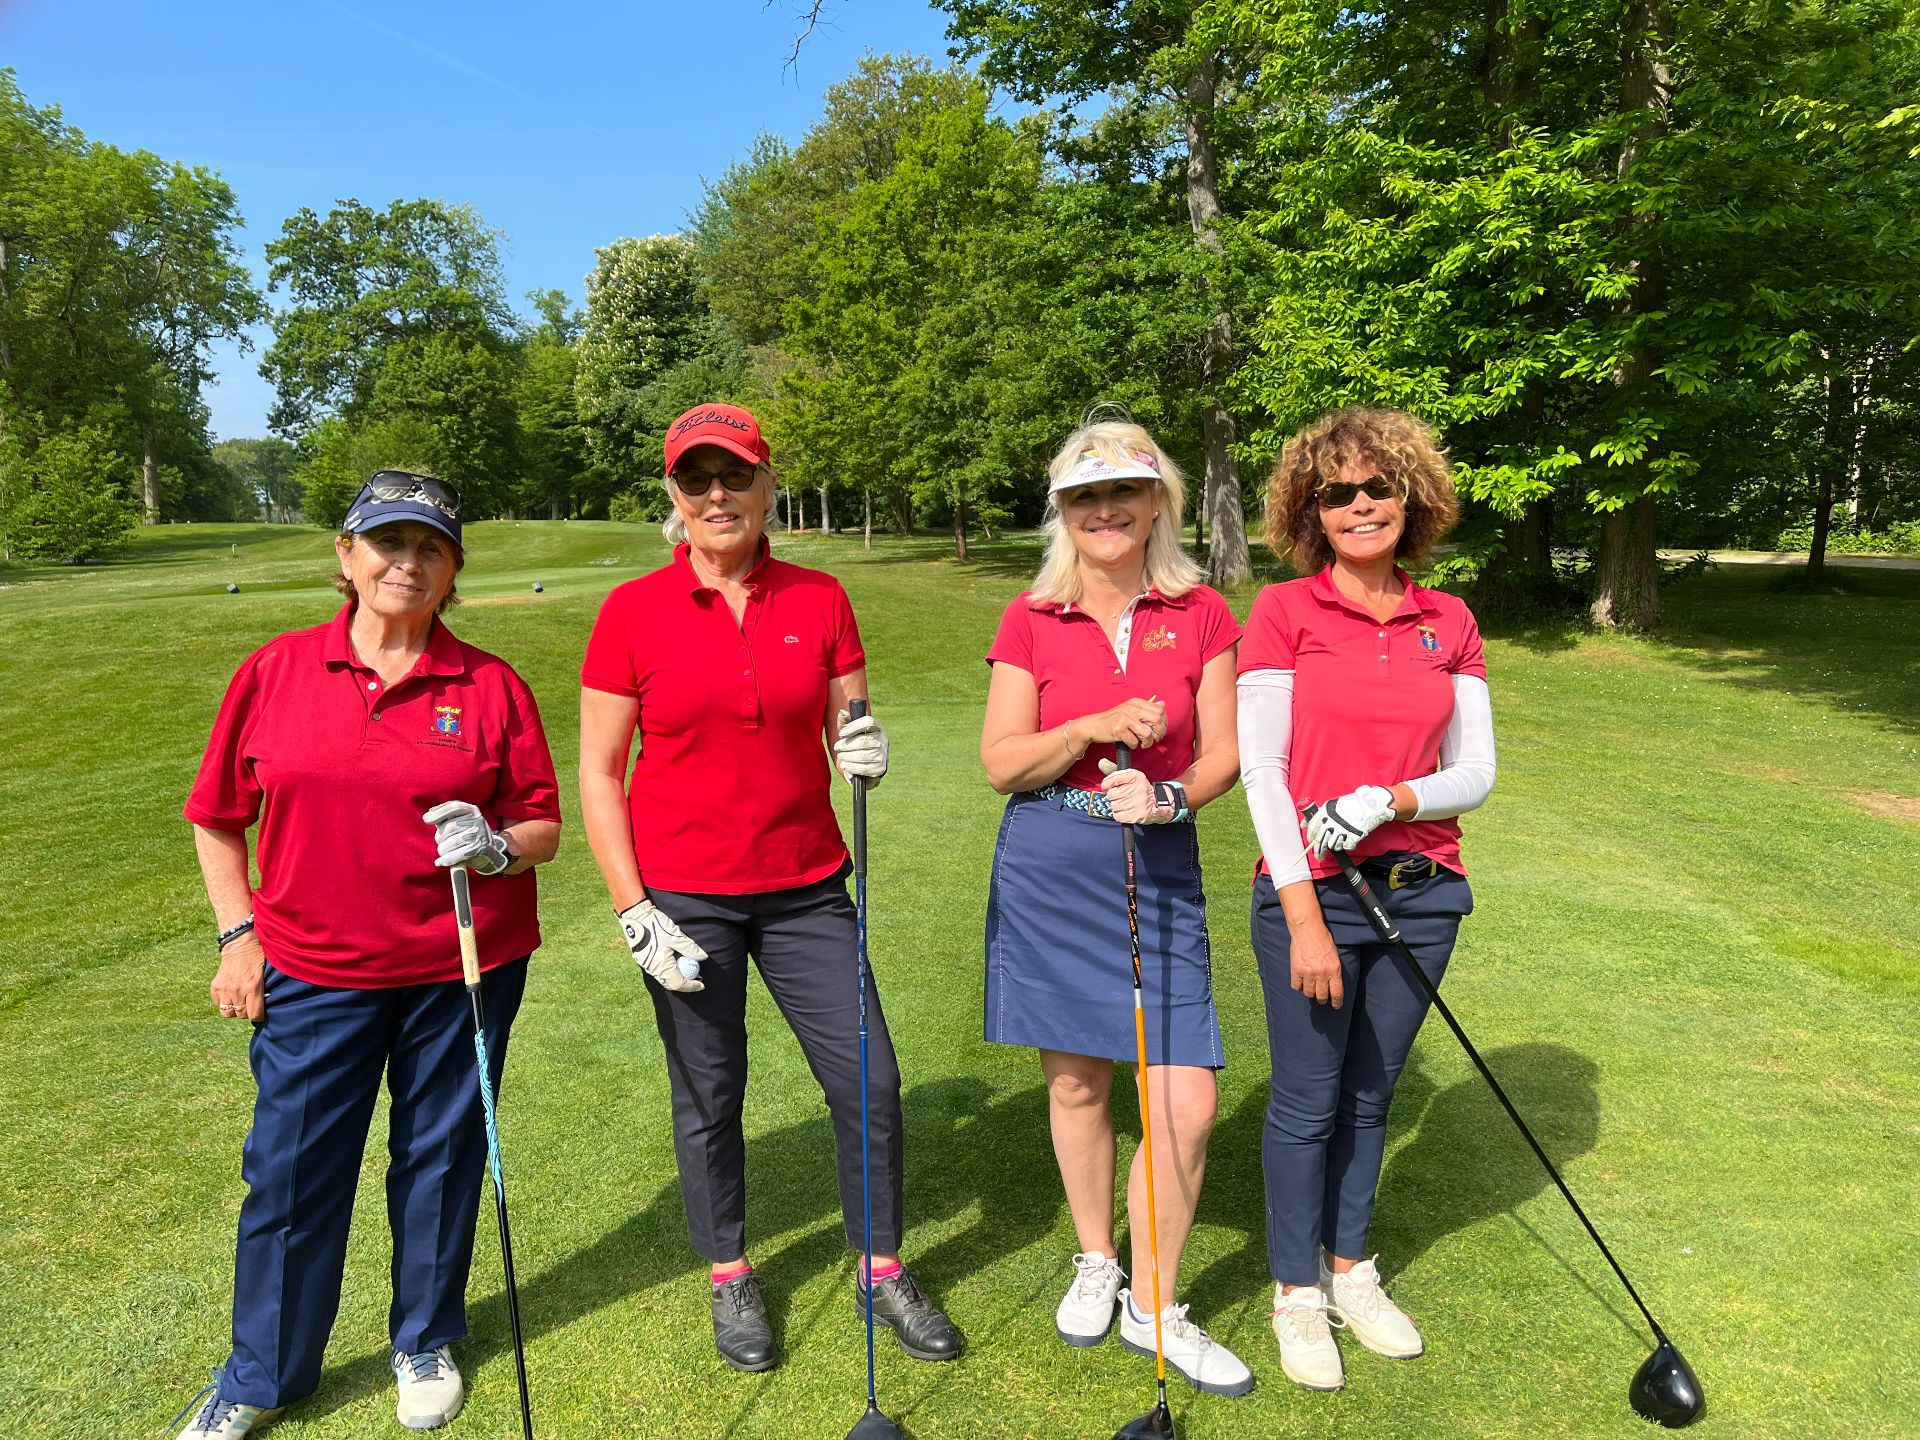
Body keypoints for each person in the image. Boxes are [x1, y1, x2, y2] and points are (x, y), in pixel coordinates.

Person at [173, 473, 562, 1438]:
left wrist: (499, 843)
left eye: (430, 548)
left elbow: (543, 822)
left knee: (440, 1159)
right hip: (313, 971)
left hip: (460, 968)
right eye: (387, 543)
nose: (408, 563)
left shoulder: (490, 685)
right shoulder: (276, 671)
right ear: (346, 557)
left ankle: (423, 1338)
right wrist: (237, 937)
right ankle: (261, 1376)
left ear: (453, 570)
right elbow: (218, 819)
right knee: (294, 1174)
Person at [578, 402, 962, 1374]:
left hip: (806, 888)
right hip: (684, 897)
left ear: (765, 484)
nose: (718, 495)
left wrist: (863, 756)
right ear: (674, 491)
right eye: (698, 478)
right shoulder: (632, 613)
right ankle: (731, 1272)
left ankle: (879, 1266)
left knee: (869, 1080)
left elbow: (850, 729)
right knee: (711, 1092)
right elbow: (599, 772)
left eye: (735, 475)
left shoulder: (821, 599)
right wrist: (633, 908)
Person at [980, 419, 1252, 1398]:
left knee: (1186, 1099)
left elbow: (1221, 752)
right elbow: (1001, 761)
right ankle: (1099, 1256)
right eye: (1085, 497)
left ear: (1157, 503)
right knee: (1080, 1086)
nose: (1106, 511)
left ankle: (1156, 1300)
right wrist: (1092, 725)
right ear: (1063, 511)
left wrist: (1173, 795)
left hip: (1159, 866)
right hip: (1053, 869)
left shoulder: (1202, 611)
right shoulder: (1031, 617)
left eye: (1125, 493)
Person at [1237, 408, 1497, 1391]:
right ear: (1308, 510)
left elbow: (1475, 771)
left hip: (1424, 893)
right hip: (1317, 898)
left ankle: (1351, 1270)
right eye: (1335, 493)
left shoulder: (1452, 621)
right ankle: (1296, 1293)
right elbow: (1263, 773)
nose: (1358, 505)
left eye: (1375, 488)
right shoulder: (1285, 613)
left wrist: (1393, 797)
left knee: (1371, 1097)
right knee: (1307, 1102)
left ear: (1411, 497)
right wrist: (1301, 911)